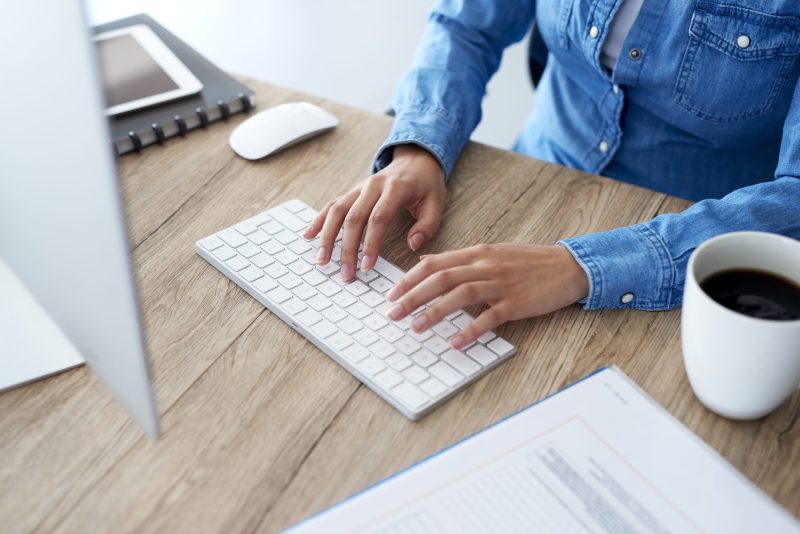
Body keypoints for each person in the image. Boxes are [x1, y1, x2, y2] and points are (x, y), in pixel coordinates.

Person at [304, 0, 800, 351]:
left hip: (692, 258)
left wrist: (584, 267)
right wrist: (419, 147)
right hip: (527, 186)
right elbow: (466, 26)